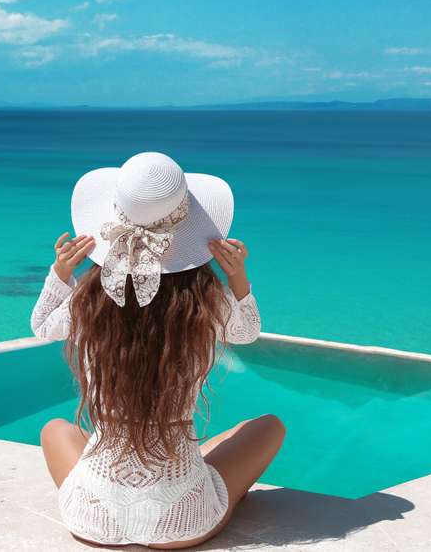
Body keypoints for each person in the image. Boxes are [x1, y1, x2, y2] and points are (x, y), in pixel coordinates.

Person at [31, 152, 286, 549]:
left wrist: (61, 272)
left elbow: (42, 326)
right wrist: (237, 276)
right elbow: (246, 332)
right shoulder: (203, 302)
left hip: (93, 520)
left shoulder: (90, 300)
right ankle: (181, 471)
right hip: (181, 524)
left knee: (55, 429)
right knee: (268, 426)